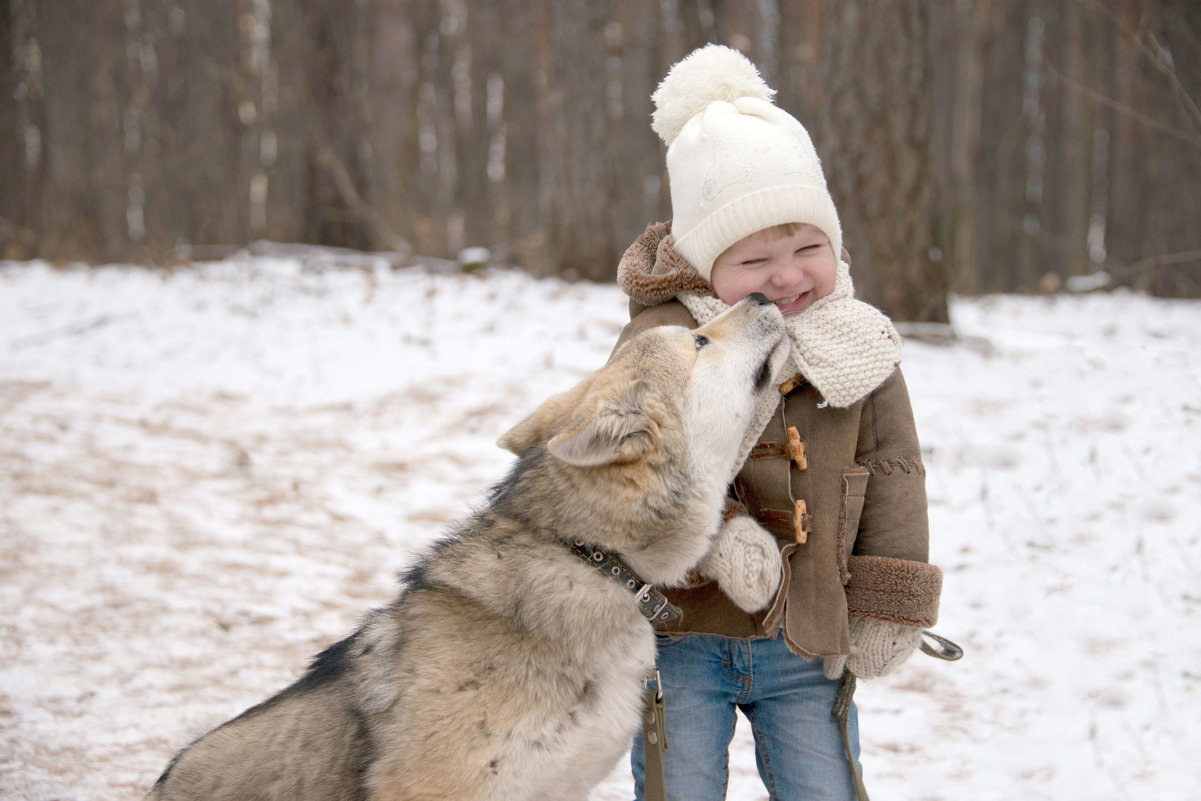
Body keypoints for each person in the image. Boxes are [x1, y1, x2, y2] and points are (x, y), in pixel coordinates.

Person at [611, 44, 944, 801]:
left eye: (808, 247)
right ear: (702, 263)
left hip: (809, 632)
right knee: (680, 786)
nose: (789, 274)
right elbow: (638, 463)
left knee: (824, 786)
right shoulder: (665, 340)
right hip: (681, 632)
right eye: (758, 259)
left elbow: (895, 470)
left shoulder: (859, 342)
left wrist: (890, 598)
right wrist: (717, 533)